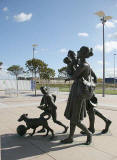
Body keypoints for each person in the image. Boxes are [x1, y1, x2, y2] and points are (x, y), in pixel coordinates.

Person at [61, 46, 95, 145]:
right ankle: (70, 137)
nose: (77, 51)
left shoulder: (83, 65)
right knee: (73, 116)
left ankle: (89, 134)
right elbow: (74, 76)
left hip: (78, 93)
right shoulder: (81, 64)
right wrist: (73, 63)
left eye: (79, 51)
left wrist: (71, 63)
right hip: (76, 91)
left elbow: (73, 76)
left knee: (75, 119)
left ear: (83, 54)